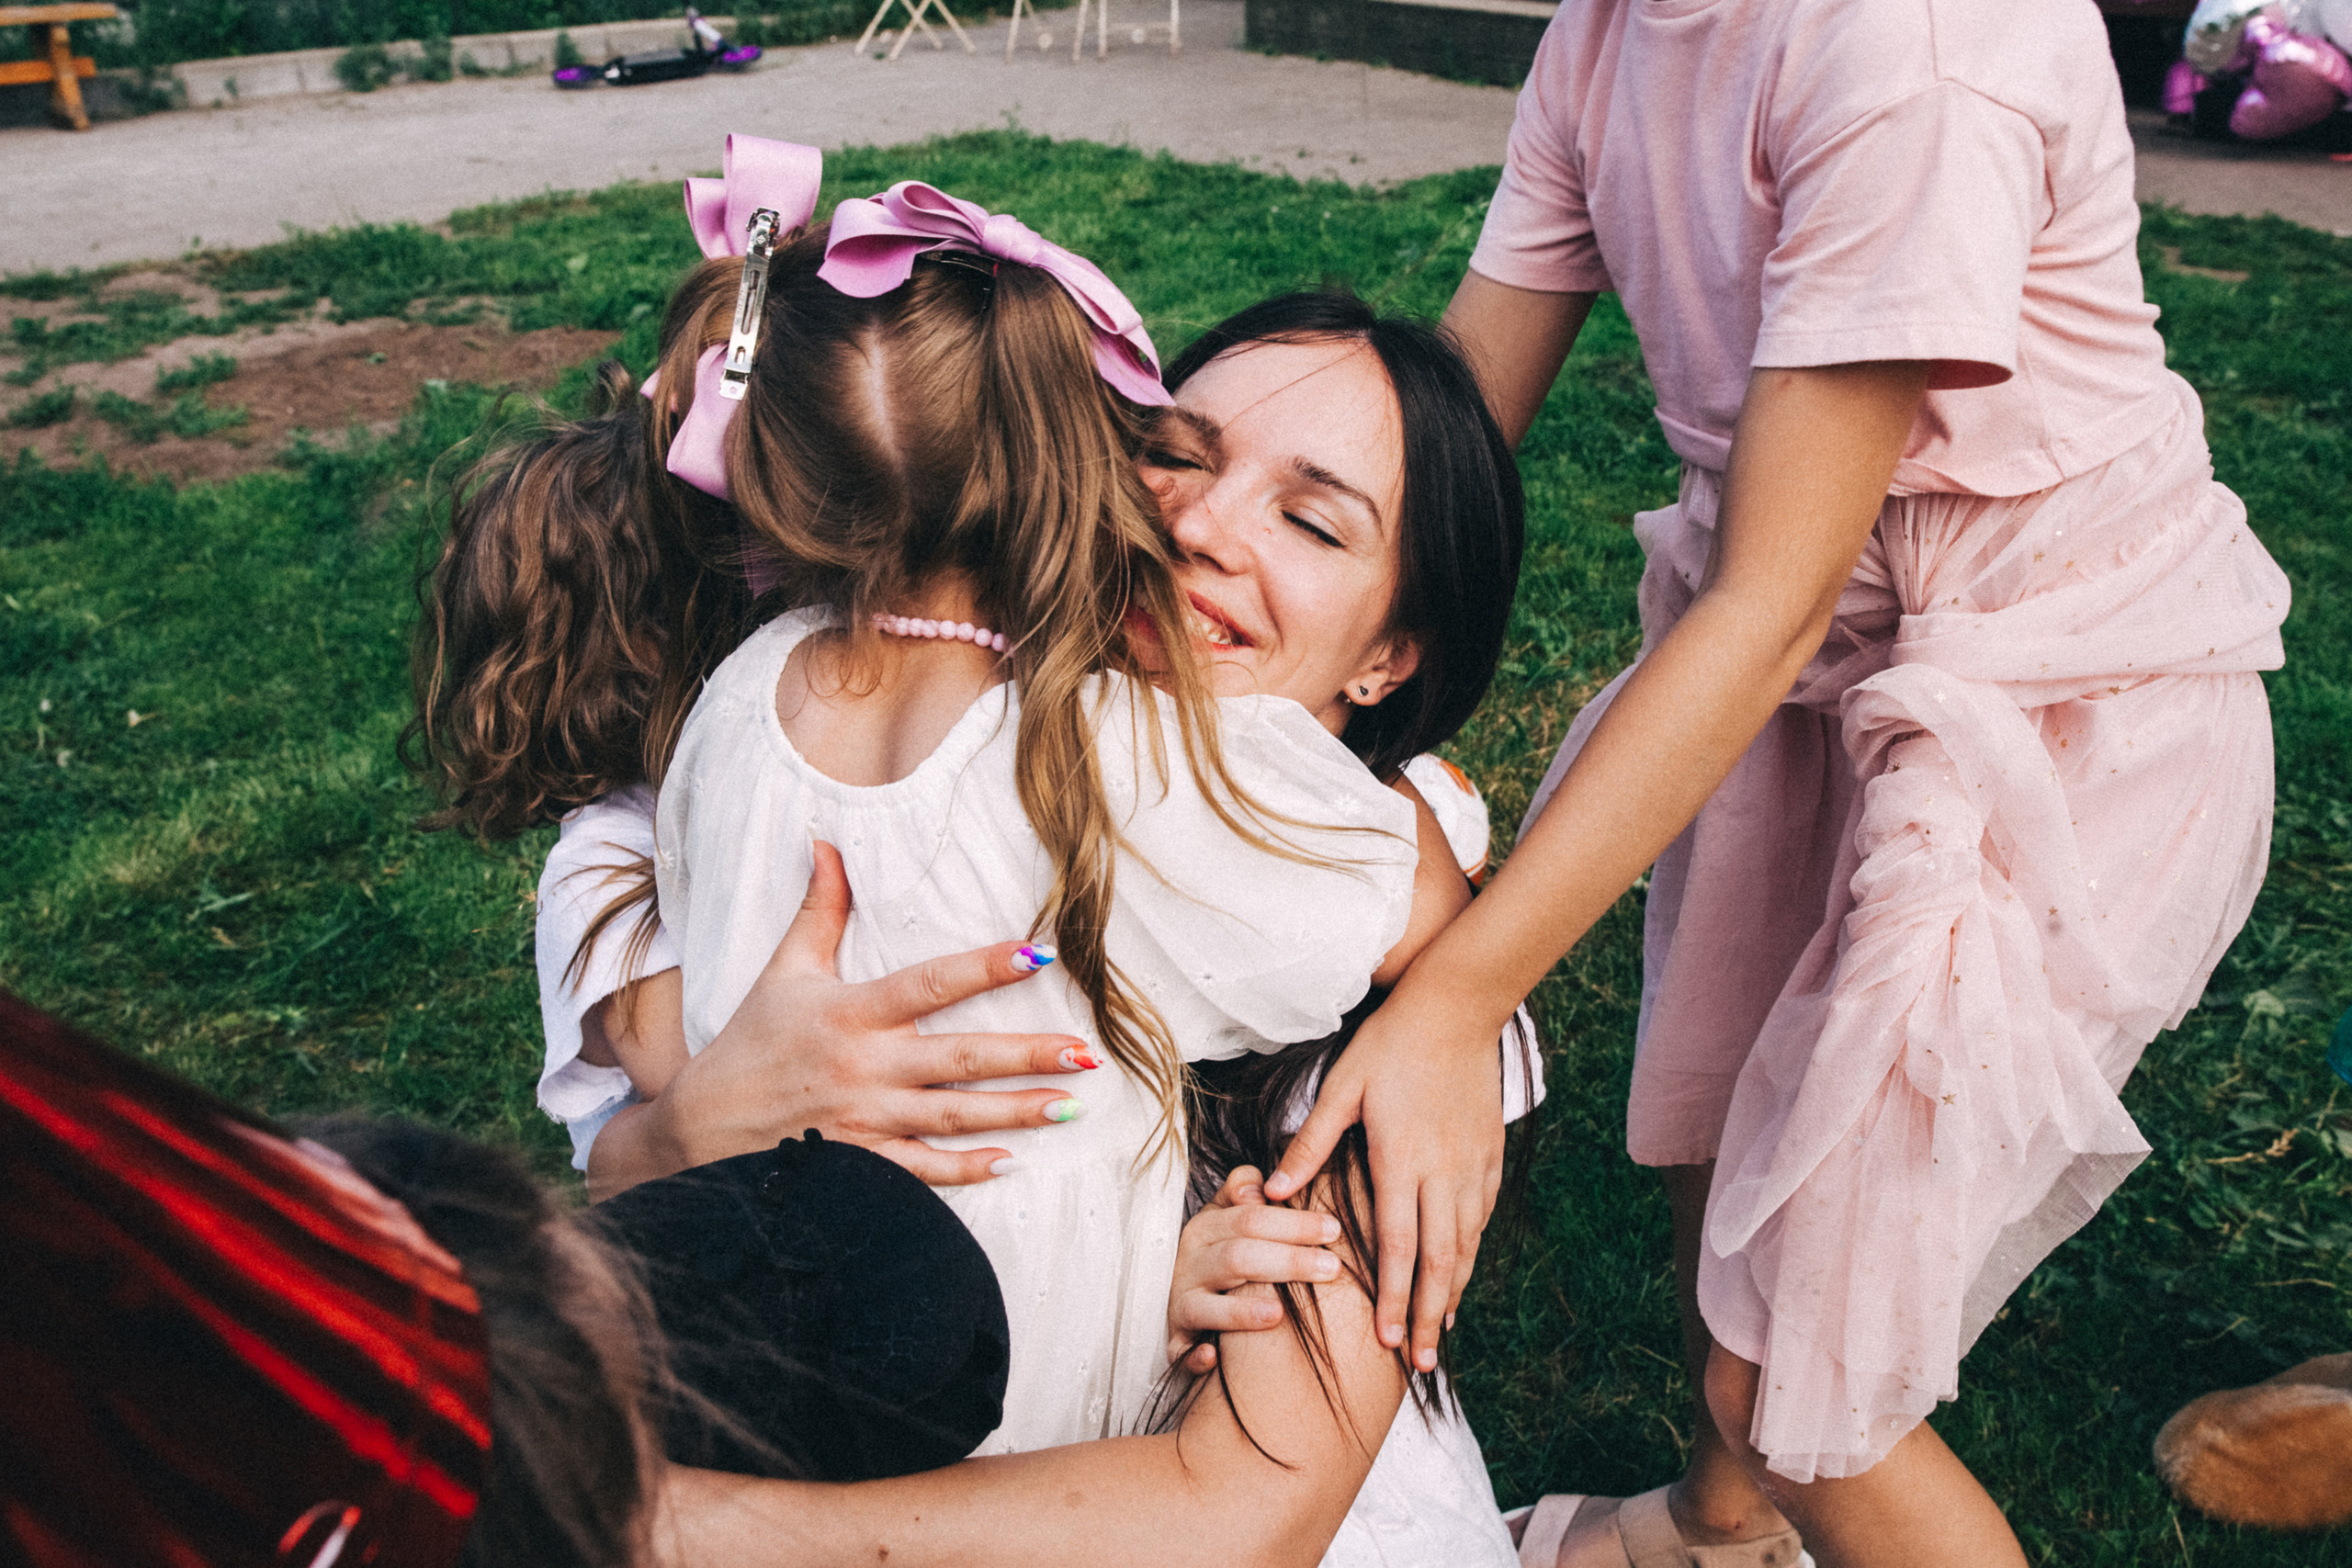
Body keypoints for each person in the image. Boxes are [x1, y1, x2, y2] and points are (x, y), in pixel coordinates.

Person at [1254, 5, 2293, 1565]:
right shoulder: (1608, 29)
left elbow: (1771, 602)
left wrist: (1455, 1002)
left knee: (1798, 1359)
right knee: (1717, 1160)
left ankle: (1775, 1480)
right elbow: (1443, 446)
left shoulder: (1917, 52)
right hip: (1812, 668)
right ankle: (1718, 1537)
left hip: (2051, 708)